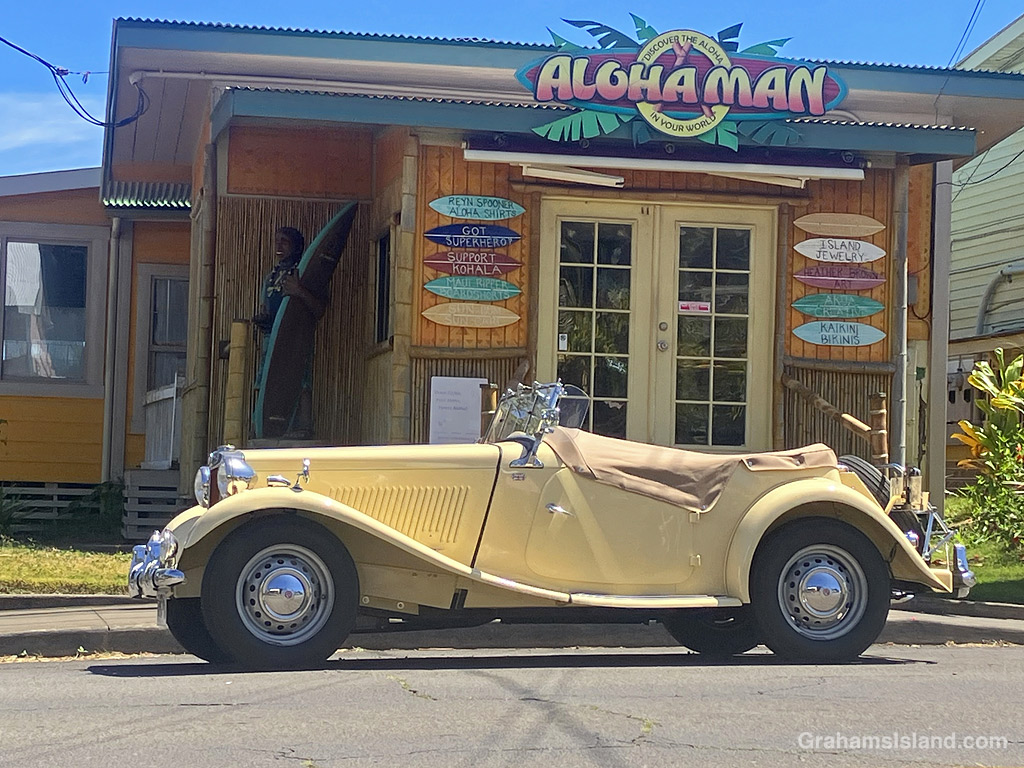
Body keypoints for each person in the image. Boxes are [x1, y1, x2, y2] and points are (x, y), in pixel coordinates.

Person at [252, 226, 325, 438]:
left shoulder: (304, 273)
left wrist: (299, 291)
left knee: (301, 381)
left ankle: (303, 426)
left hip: (296, 336)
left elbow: (319, 308)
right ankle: (260, 425)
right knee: (263, 380)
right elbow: (267, 307)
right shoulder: (271, 278)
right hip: (271, 337)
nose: (278, 246)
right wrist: (263, 319)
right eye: (276, 241)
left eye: (284, 241)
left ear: (296, 246)